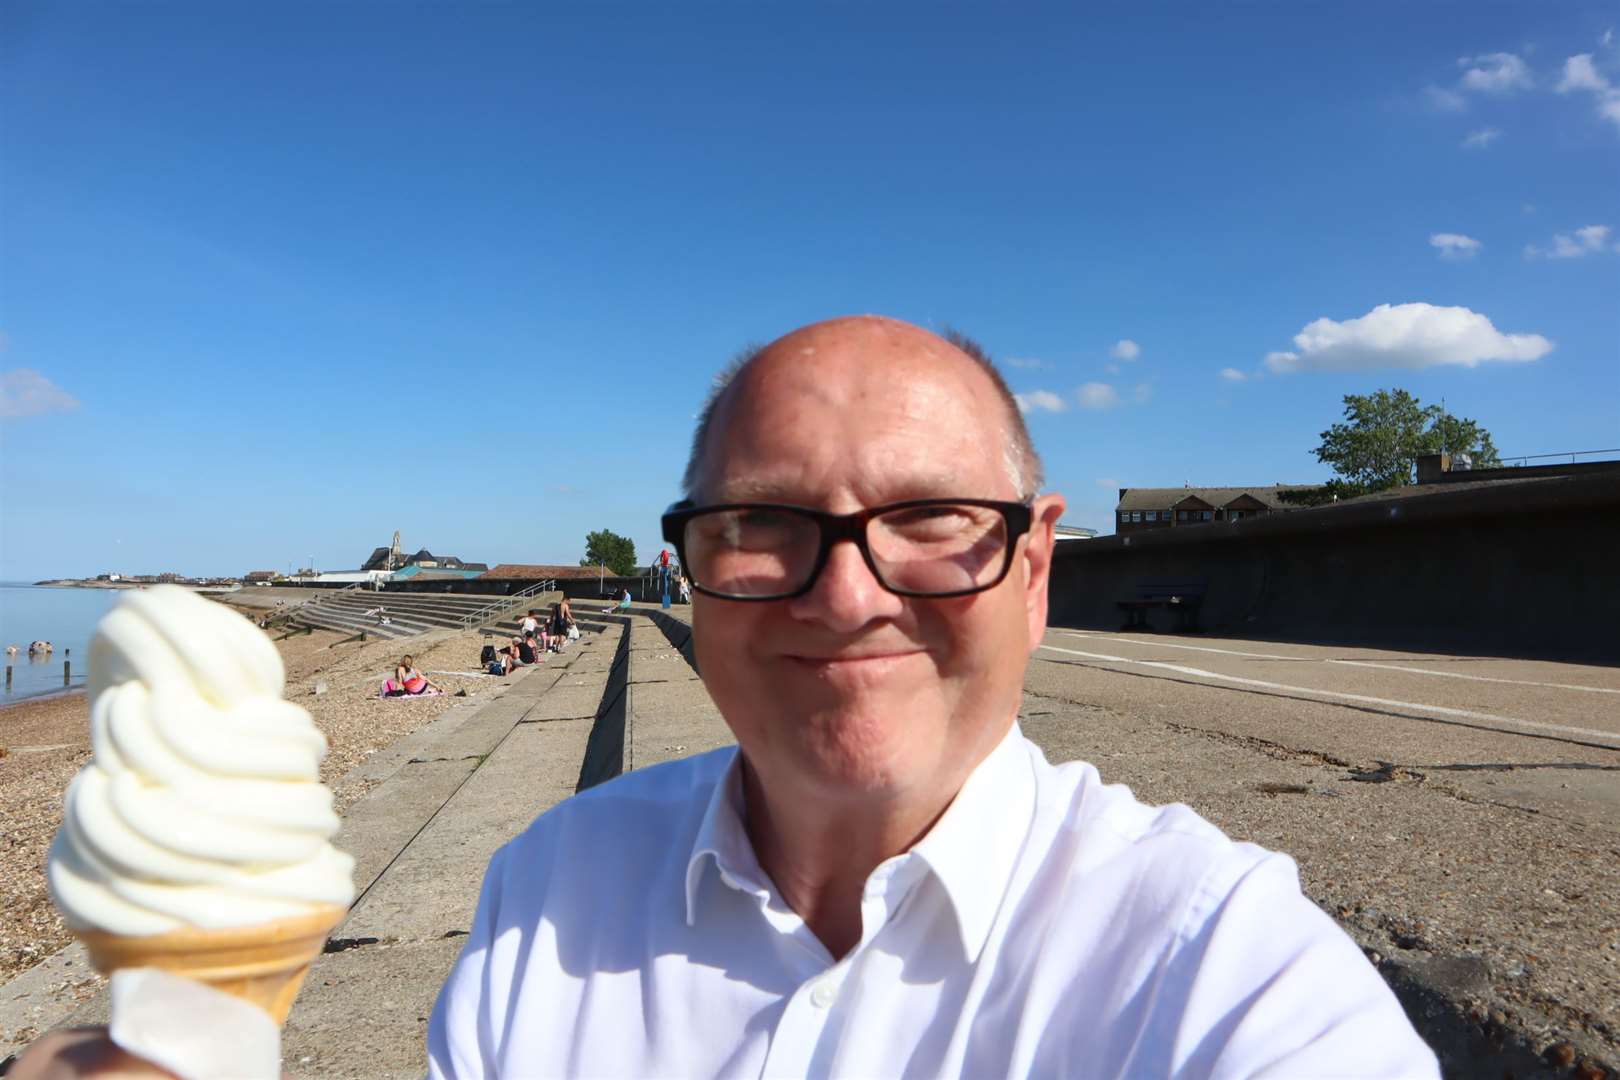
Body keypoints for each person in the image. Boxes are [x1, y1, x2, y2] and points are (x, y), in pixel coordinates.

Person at [10, 316, 1437, 1078]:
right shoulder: (546, 890)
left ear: (1037, 564)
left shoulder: (1221, 966)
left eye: (933, 517)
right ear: (689, 567)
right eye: (766, 525)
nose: (848, 595)